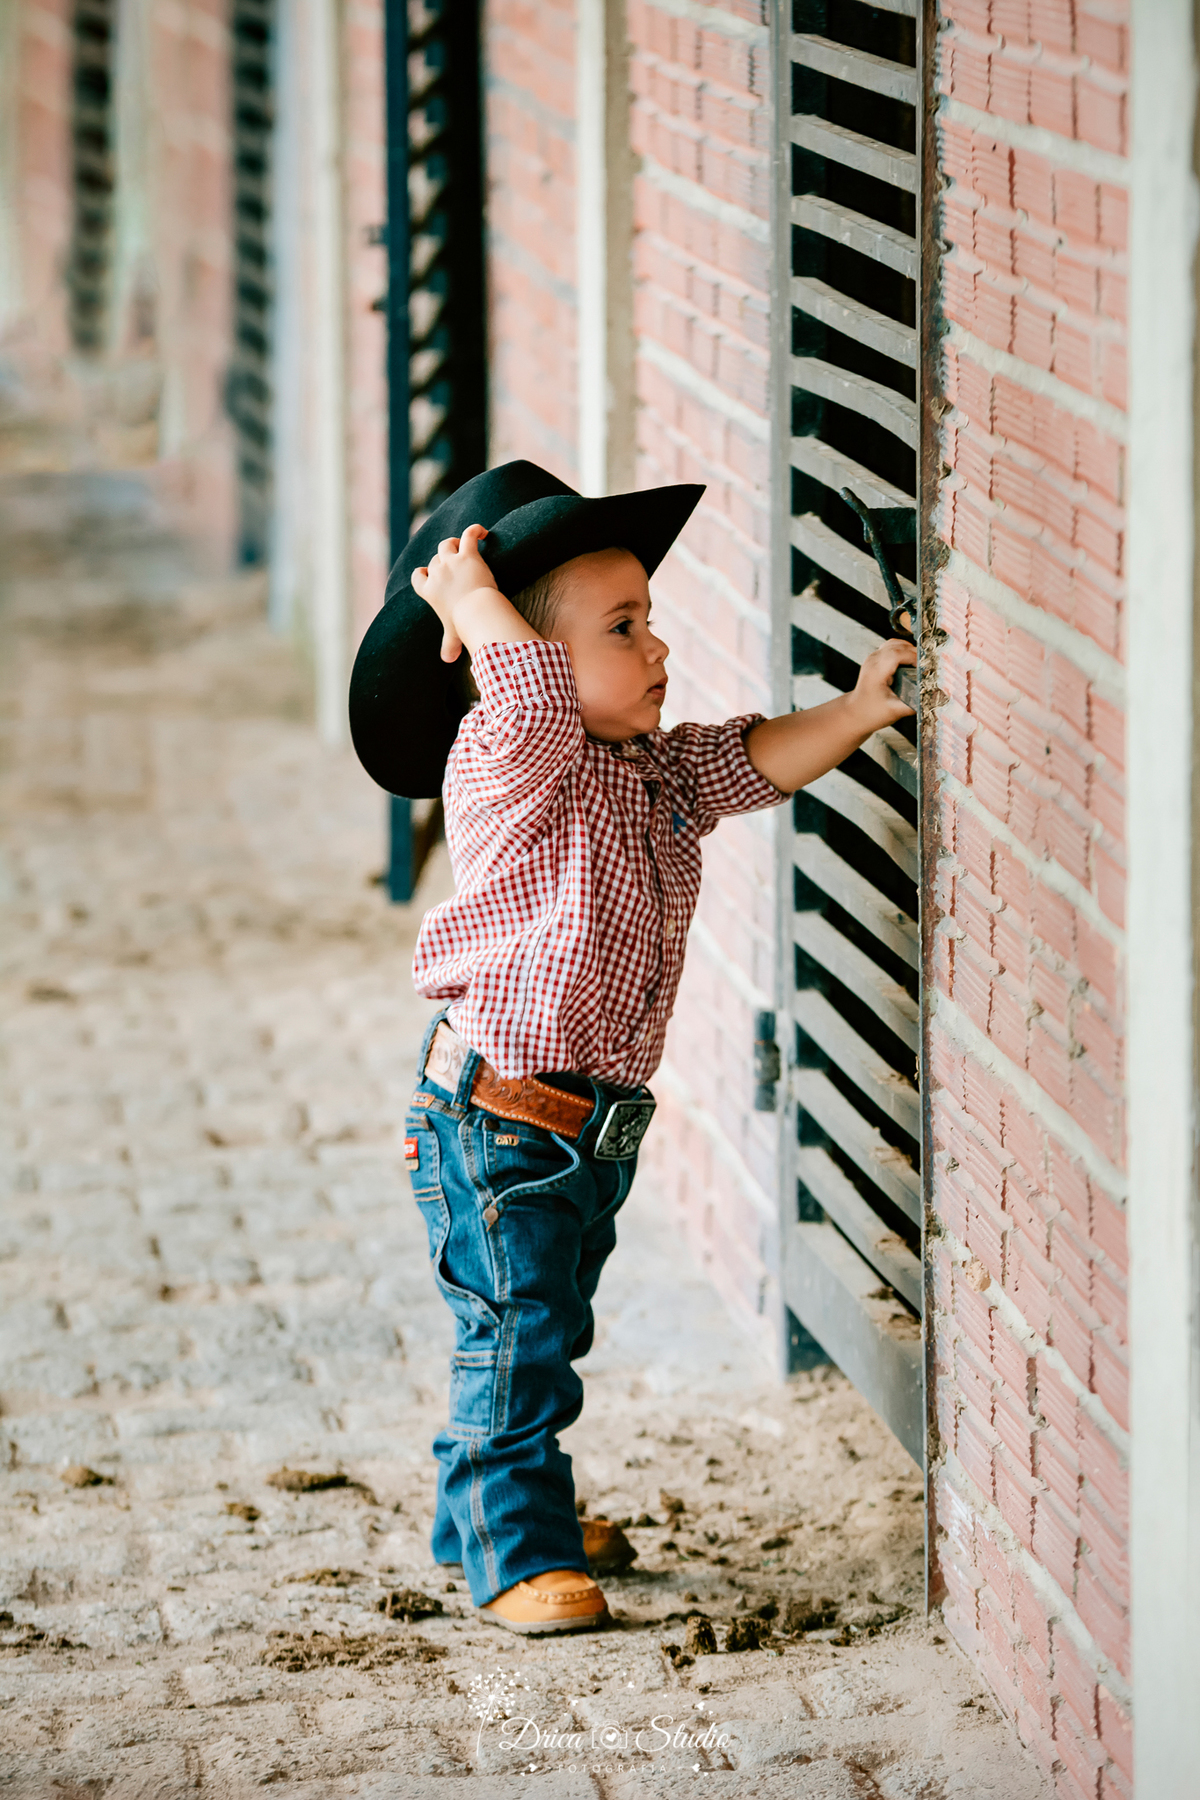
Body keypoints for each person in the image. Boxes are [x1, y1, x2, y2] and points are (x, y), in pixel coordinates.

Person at [347, 461, 915, 1635]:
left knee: (537, 1337)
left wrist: (860, 709)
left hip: (582, 1135)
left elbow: (751, 760)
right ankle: (515, 1554)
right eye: (623, 628)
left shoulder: (649, 770)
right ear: (519, 657)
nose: (656, 647)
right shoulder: (509, 762)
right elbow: (535, 701)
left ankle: (498, 1502)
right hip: (497, 1123)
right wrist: (469, 602)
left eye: (649, 620)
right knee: (517, 1337)